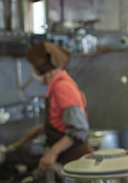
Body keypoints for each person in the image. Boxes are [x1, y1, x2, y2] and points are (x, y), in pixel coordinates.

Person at [22, 42, 91, 172]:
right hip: (68, 162)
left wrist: (53, 152)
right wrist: (41, 128)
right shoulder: (58, 84)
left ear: (39, 68)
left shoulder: (62, 87)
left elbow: (79, 129)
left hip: (75, 163)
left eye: (31, 66)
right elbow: (63, 120)